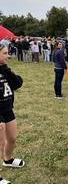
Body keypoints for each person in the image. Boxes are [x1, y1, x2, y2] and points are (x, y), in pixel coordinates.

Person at [0, 42, 25, 184]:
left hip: (7, 109)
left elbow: (17, 84)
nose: (8, 56)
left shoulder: (4, 69)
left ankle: (8, 159)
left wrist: (5, 69)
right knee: (0, 143)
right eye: (4, 53)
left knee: (12, 139)